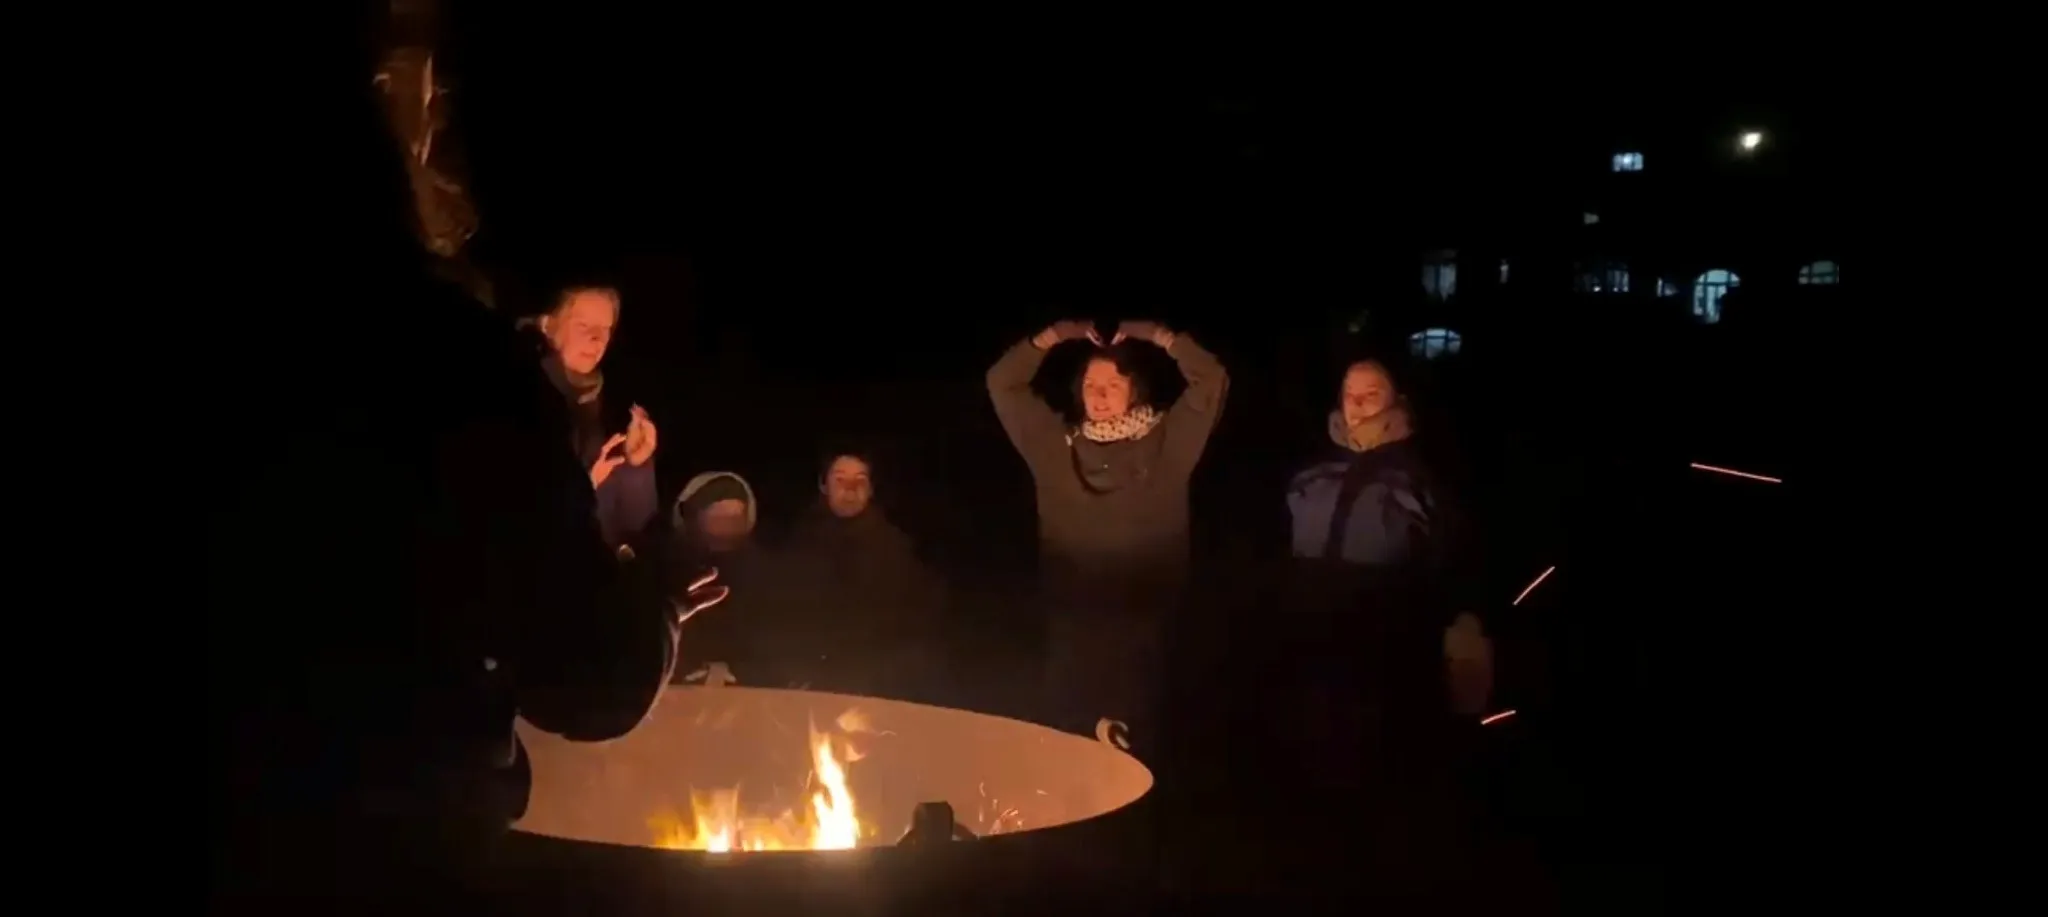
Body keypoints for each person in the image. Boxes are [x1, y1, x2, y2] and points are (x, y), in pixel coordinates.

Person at [205, 14, 725, 906]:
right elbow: (586, 668)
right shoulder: (454, 366)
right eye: (404, 92)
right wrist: (658, 602)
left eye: (437, 89)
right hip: (396, 842)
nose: (435, 116)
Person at [1277, 357, 1488, 889]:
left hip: (1383, 650)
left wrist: (1458, 631)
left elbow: (1450, 564)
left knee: (1378, 773)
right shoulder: (1312, 475)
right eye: (1350, 392)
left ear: (1398, 402)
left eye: (1372, 393)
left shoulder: (1419, 477)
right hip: (1314, 645)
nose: (1358, 403)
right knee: (1315, 764)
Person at [986, 318, 1228, 741]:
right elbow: (1002, 383)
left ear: (1135, 391)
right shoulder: (1053, 447)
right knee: (1068, 745)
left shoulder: (1168, 444)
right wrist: (1055, 335)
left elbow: (1211, 378)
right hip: (1073, 631)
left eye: (1113, 385)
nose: (1099, 396)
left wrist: (1155, 334)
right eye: (1090, 385)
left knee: (1139, 751)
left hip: (1148, 633)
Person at [777, 450, 947, 697]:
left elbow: (913, 625)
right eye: (840, 480)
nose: (850, 490)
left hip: (871, 687)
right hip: (808, 685)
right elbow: (784, 614)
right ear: (824, 486)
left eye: (860, 481)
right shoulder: (801, 542)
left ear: (871, 490)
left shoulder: (893, 549)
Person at [526, 285, 661, 549]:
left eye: (605, 329)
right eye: (584, 326)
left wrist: (636, 467)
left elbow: (635, 530)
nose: (597, 339)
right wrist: (582, 488)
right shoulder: (516, 400)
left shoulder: (601, 410)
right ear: (547, 325)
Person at [668, 471, 779, 683]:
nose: (726, 526)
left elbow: (778, 638)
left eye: (735, 518)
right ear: (693, 519)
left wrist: (740, 672)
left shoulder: (764, 573)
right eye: (717, 517)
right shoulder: (672, 570)